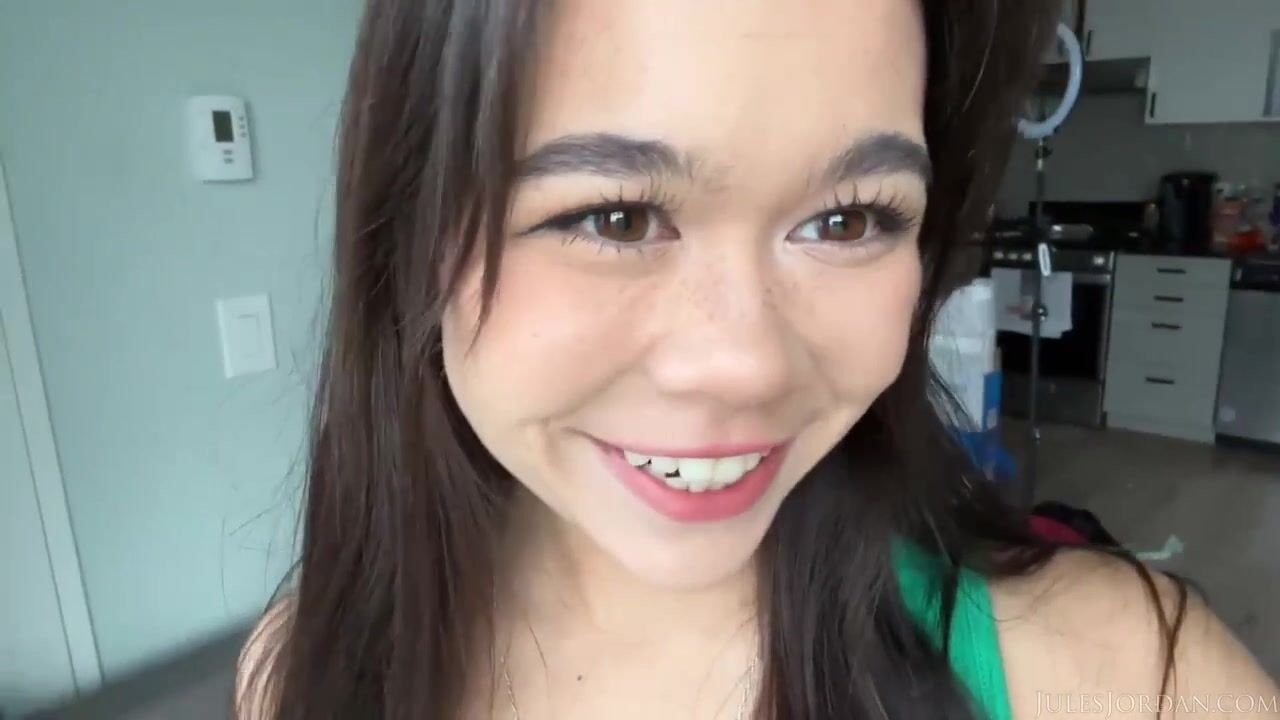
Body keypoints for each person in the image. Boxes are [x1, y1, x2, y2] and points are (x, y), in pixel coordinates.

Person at [235, 0, 1279, 718]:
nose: (745, 366)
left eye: (847, 219)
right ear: (409, 240)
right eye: (614, 215)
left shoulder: (1123, 677)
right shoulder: (302, 673)